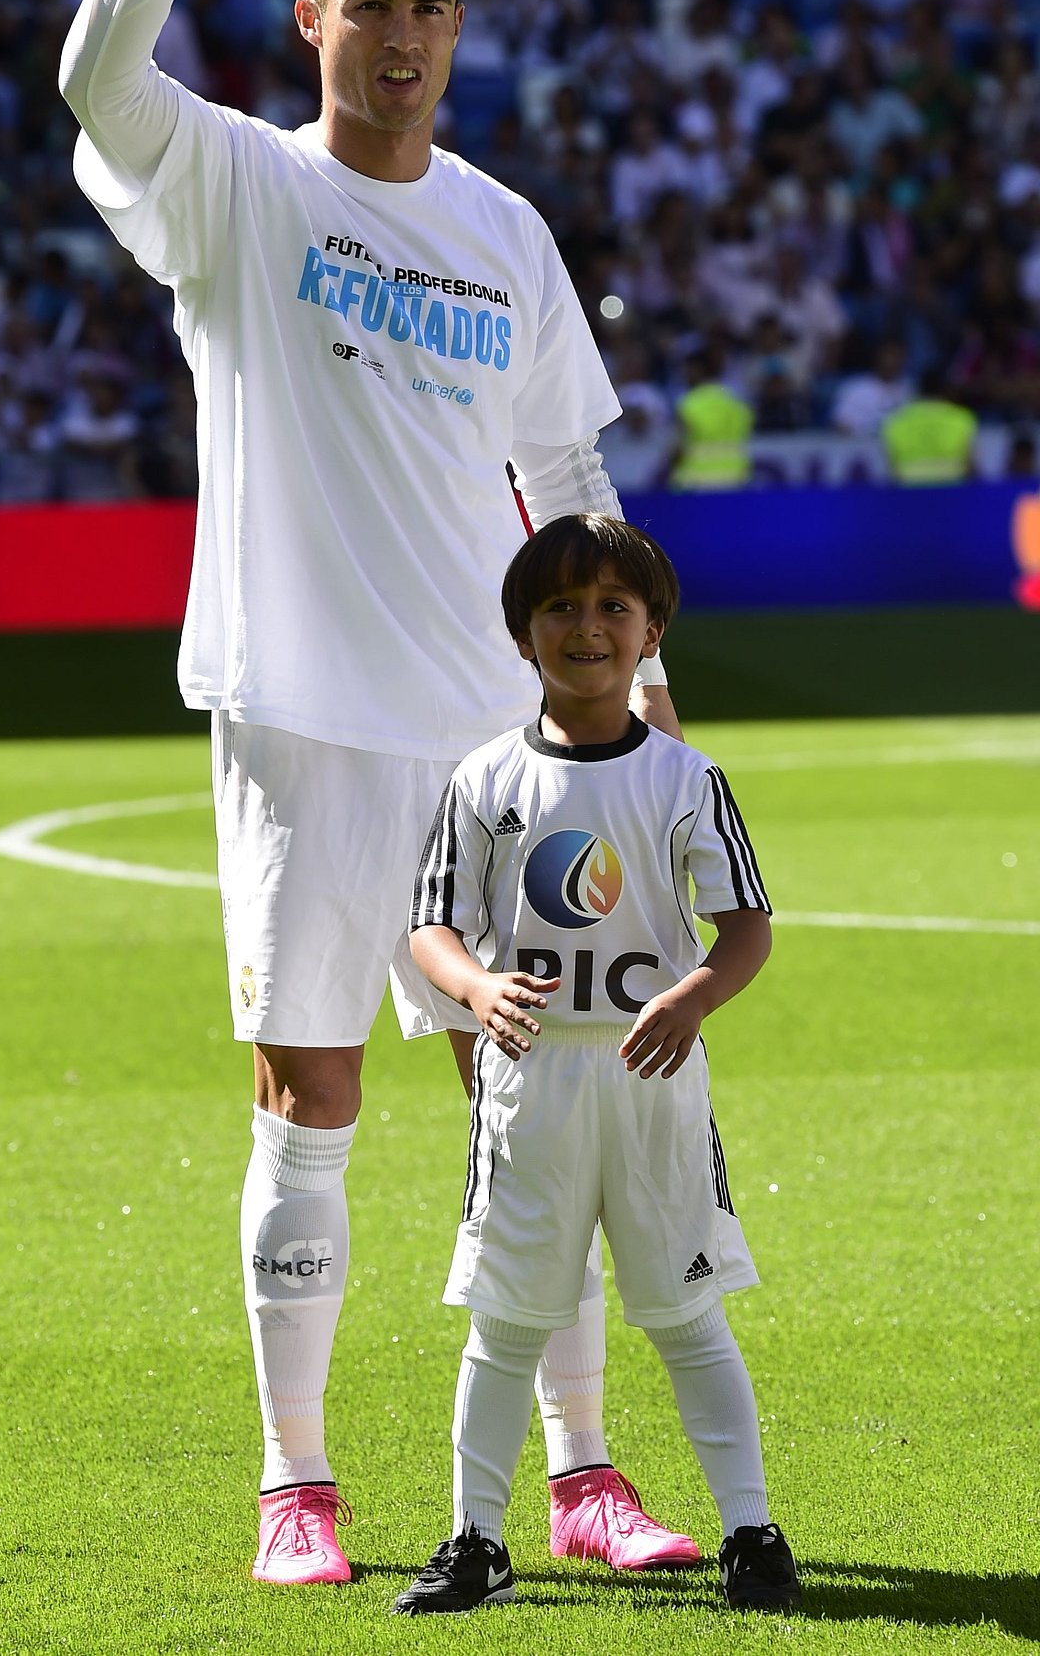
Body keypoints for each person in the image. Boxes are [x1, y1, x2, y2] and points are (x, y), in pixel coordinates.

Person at [58, 0, 688, 1587]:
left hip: (500, 748)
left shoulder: (505, 231)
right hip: (302, 725)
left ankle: (580, 1474)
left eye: (426, 9)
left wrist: (637, 686)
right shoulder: (234, 189)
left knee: (545, 1099)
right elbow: (99, 80)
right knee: (310, 1099)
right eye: (366, 5)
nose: (398, 35)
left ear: (457, 26)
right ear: (314, 17)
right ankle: (298, 1485)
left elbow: (569, 468)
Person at [394, 514, 801, 1616]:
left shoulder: (685, 777)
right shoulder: (484, 778)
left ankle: (751, 1532)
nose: (587, 627)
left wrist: (699, 990)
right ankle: (476, 1539)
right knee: (511, 1318)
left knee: (685, 1313)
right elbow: (429, 926)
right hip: (531, 1085)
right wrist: (476, 990)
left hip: (656, 1080)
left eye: (612, 607)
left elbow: (747, 927)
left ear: (650, 631)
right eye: (560, 609)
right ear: (523, 637)